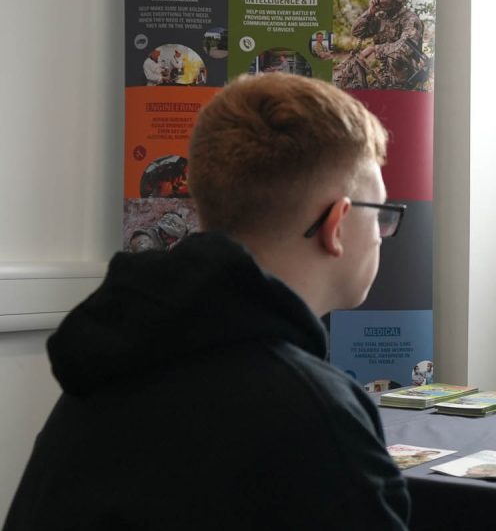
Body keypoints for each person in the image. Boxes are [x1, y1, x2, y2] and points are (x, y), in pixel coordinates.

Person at [4, 73, 410, 530]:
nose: (381, 235)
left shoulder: (103, 370)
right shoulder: (317, 416)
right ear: (337, 224)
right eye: (381, 216)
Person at [350, 0, 426, 90]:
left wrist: (374, 49)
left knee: (395, 55)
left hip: (406, 76)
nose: (382, 1)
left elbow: (405, 48)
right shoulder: (381, 16)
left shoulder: (411, 19)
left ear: (399, 0)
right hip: (382, 75)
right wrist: (370, 13)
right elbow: (357, 32)